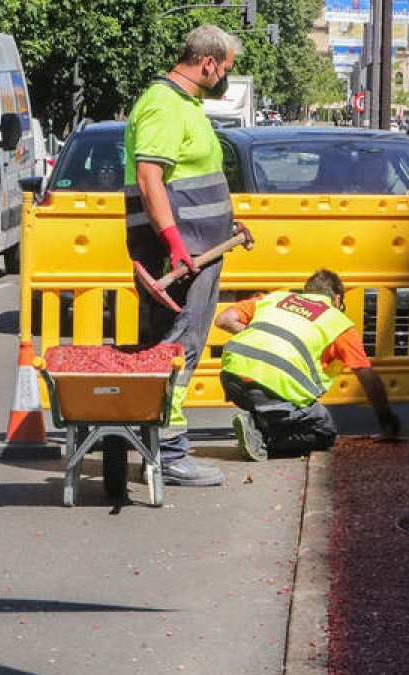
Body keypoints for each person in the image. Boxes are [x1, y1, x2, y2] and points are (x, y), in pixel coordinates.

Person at [124, 25, 241, 486]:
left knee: (177, 347)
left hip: (199, 249)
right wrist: (174, 241)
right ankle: (169, 454)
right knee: (177, 349)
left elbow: (193, 184)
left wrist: (222, 226)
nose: (227, 76)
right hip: (179, 256)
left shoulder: (186, 104)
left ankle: (157, 447)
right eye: (226, 67)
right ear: (208, 63)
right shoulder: (164, 104)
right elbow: (151, 177)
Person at [215, 269, 400, 461]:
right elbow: (367, 376)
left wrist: (259, 339)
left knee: (277, 402)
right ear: (336, 300)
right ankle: (261, 436)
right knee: (323, 433)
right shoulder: (337, 322)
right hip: (273, 388)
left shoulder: (276, 299)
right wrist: (387, 421)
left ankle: (259, 421)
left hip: (232, 377)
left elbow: (224, 320)